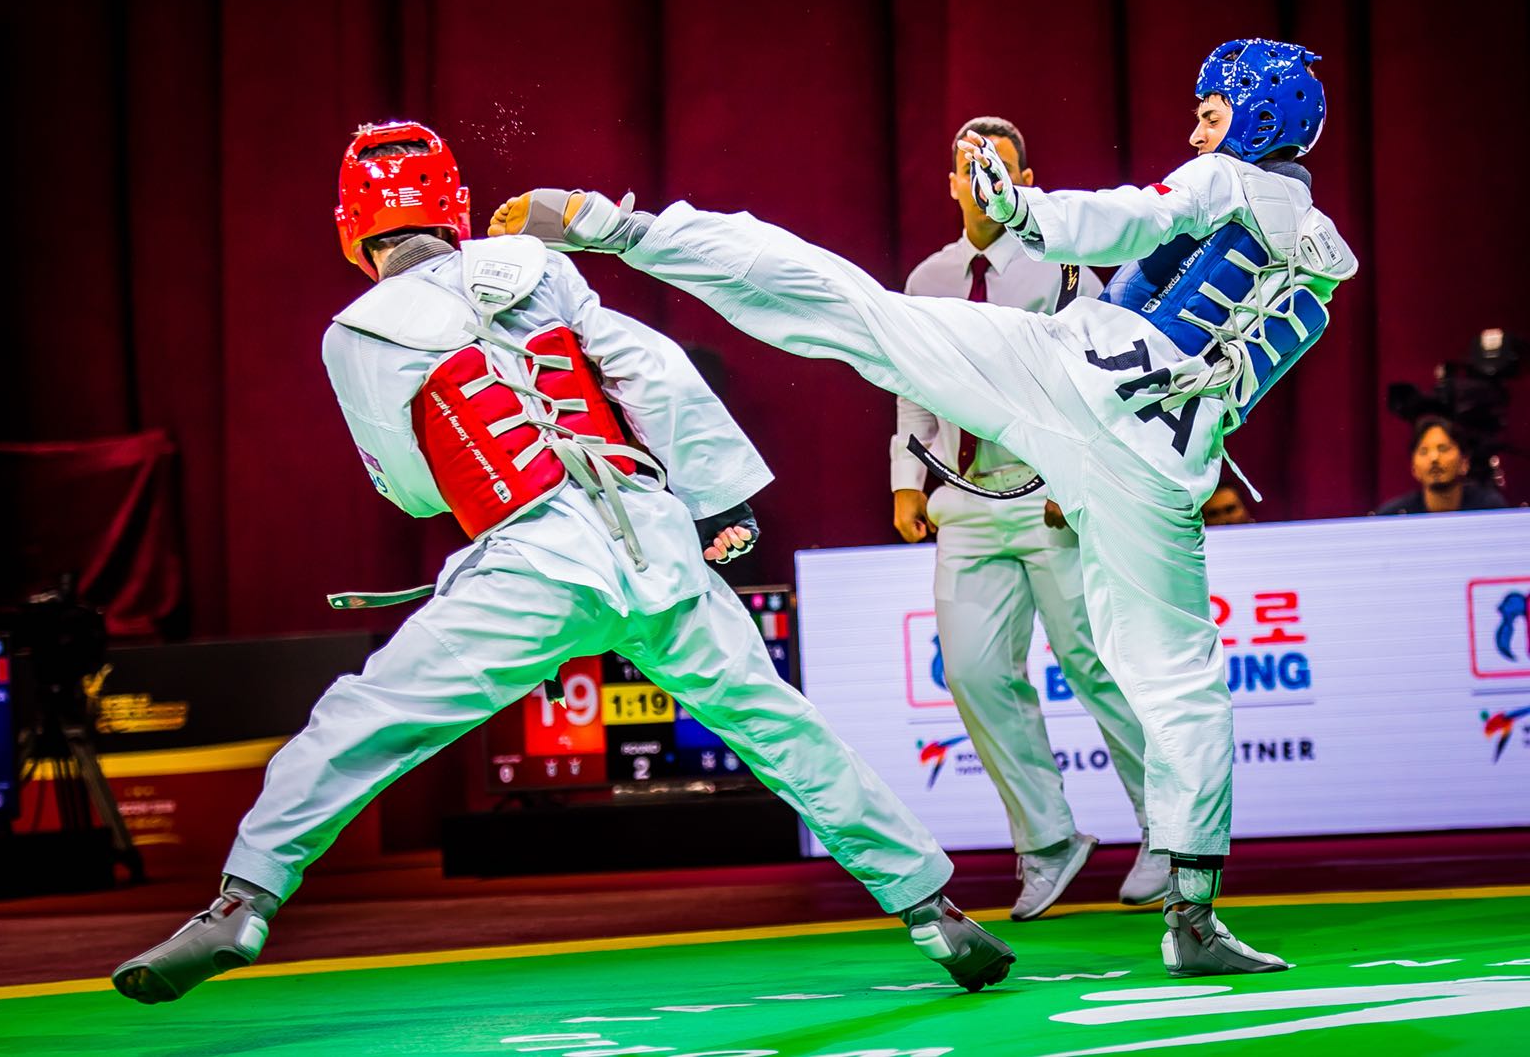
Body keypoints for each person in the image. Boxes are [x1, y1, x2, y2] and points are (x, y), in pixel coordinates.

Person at [491, 37, 1357, 977]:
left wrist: (1020, 211)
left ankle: (622, 227)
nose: (1196, 130)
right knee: (1181, 677)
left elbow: (1125, 219)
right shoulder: (1325, 259)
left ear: (1257, 117)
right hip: (1160, 464)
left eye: (1211, 112)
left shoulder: (1223, 180)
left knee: (859, 315)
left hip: (1076, 379)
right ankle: (1192, 915)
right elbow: (1230, 363)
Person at [110, 122, 1014, 1004]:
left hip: (534, 561)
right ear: (455, 208)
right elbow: (651, 367)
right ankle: (932, 911)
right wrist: (722, 499)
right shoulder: (537, 266)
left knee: (364, 722)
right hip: (653, 543)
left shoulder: (357, 333)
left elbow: (414, 492)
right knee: (782, 728)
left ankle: (244, 901)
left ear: (353, 230)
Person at [891, 116, 1165, 920]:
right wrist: (906, 478)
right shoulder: (928, 279)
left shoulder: (1064, 266)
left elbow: (1098, 379)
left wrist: (1081, 475)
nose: (981, 180)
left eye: (999, 167)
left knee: (1095, 664)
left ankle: (1167, 829)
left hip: (1052, 495)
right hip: (965, 497)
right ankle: (1047, 841)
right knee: (974, 672)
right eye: (967, 167)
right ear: (950, 182)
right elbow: (911, 383)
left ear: (1024, 181)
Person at [1374, 416, 1509, 514]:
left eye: (1443, 449)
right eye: (1424, 451)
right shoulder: (1394, 515)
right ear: (1414, 468)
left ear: (1464, 463)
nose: (1434, 458)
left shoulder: (1489, 509)